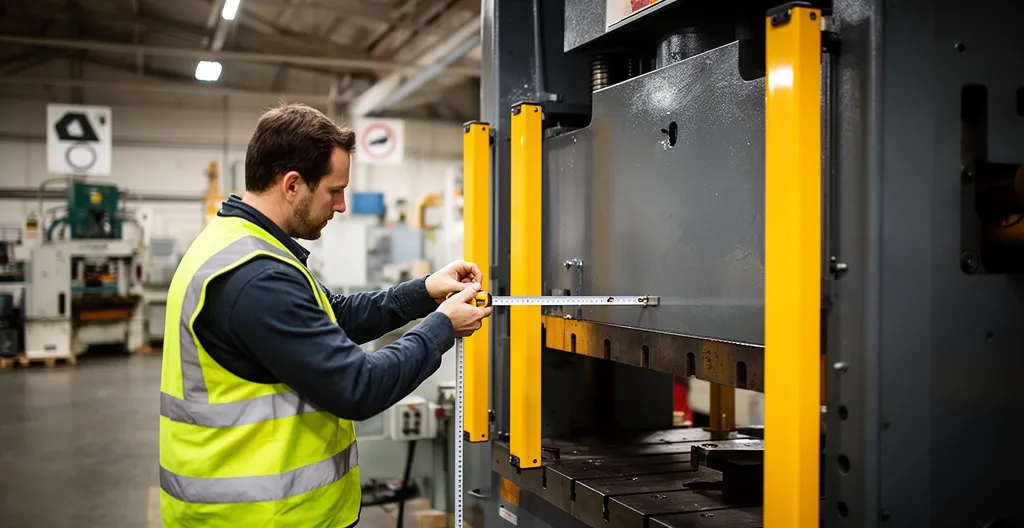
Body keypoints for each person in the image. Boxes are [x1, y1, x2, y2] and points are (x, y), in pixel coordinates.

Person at [158, 102, 492, 527]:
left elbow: (335, 315)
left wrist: (425, 291)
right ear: (292, 185)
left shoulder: (240, 244)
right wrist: (442, 327)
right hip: (261, 517)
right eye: (334, 190)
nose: (342, 205)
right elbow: (358, 386)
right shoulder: (256, 277)